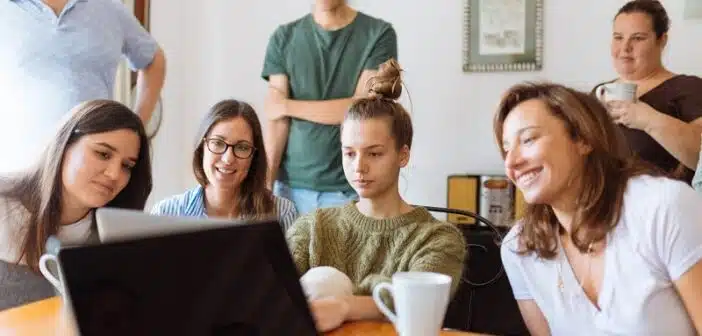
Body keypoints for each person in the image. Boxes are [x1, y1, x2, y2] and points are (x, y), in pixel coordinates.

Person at [496, 82, 702, 335]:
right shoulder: (519, 247)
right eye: (506, 149)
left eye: (528, 139)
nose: (512, 162)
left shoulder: (663, 206)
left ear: (582, 138)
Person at [286, 60, 466, 332]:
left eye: (374, 153)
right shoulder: (312, 228)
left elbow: (417, 304)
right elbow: (270, 295)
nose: (359, 166)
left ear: (402, 155)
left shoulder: (438, 238)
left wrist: (344, 306)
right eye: (349, 153)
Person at [0, 100, 153, 310]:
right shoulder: (4, 203)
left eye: (127, 166)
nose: (114, 174)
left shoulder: (115, 235)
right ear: (64, 145)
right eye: (103, 154)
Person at [261, 0, 398, 215]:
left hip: (349, 189)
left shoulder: (379, 34)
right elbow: (276, 121)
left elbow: (361, 111)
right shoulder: (283, 37)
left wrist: (287, 106)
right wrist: (265, 189)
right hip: (288, 191)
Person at [0, 0, 167, 173]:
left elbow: (154, 60)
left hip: (94, 172)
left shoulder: (109, 8)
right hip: (16, 171)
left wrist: (135, 128)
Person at [592, 0, 702, 183]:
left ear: (662, 40)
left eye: (638, 38)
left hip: (664, 208)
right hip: (606, 206)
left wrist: (647, 119)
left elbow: (700, 156)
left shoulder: (689, 88)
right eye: (618, 37)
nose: (625, 48)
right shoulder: (600, 91)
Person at [150, 100, 297, 232]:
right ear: (202, 148)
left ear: (254, 157)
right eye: (218, 143)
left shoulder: (282, 213)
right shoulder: (165, 214)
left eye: (242, 147)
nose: (228, 159)